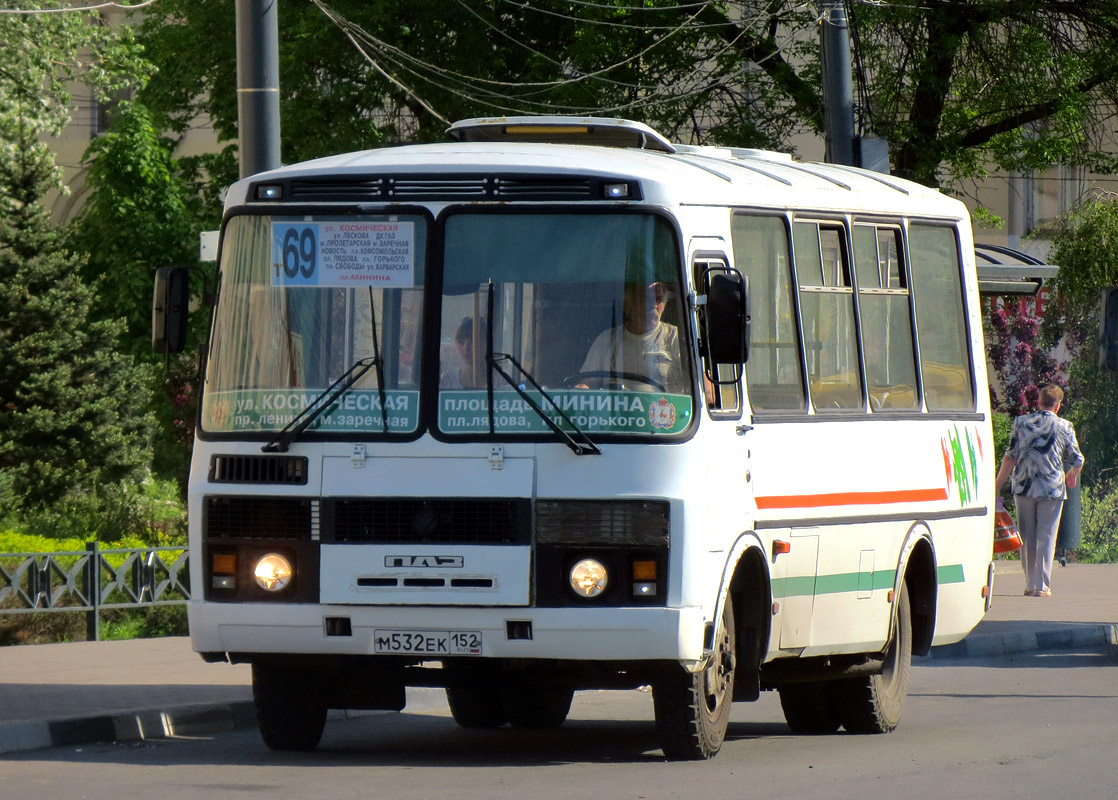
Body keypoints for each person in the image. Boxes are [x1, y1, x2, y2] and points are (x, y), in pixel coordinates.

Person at [994, 384, 1084, 597]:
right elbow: (1077, 458)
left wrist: (997, 486)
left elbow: (1010, 456)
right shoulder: (1064, 426)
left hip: (1023, 486)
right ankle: (1042, 586)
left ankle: (1029, 583)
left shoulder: (1021, 422)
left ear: (1038, 401)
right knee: (1047, 535)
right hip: (1051, 488)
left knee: (1027, 535)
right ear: (1058, 405)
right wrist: (1073, 473)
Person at [577, 281, 684, 392]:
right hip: (615, 407)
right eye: (647, 299)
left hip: (663, 407)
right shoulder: (607, 339)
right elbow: (588, 382)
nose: (653, 306)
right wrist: (583, 388)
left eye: (659, 300)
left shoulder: (677, 337)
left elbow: (699, 385)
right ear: (629, 303)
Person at [440, 316, 486, 389]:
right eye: (461, 342)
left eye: (472, 342)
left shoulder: (500, 381)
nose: (466, 348)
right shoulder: (446, 380)